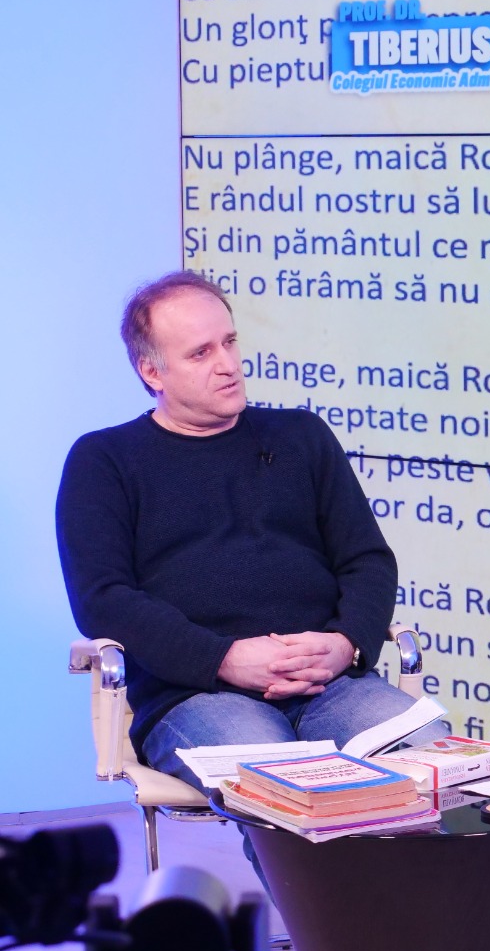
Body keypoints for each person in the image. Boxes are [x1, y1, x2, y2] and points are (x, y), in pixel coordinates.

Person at [56, 271, 429, 803]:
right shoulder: (104, 460)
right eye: (201, 353)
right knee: (282, 793)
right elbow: (103, 600)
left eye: (229, 342)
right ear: (152, 371)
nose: (228, 364)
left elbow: (367, 559)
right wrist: (223, 658)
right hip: (199, 694)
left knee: (431, 767)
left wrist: (346, 643)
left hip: (331, 683)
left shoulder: (301, 435)